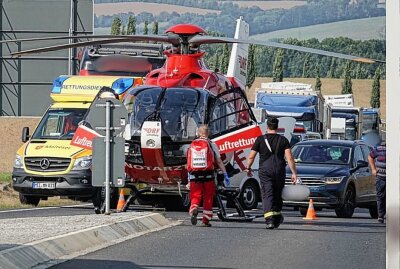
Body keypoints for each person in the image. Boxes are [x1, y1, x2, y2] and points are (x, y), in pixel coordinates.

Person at [245, 118, 297, 229]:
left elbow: (251, 156)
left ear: (267, 126)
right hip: (279, 170)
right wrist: (294, 173)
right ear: (277, 127)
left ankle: (269, 220)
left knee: (267, 193)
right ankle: (277, 217)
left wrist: (248, 168)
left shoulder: (260, 140)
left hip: (265, 170)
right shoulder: (283, 140)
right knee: (277, 193)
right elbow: (290, 158)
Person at [187, 125, 230, 227]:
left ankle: (194, 207)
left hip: (194, 175)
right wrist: (225, 173)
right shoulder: (211, 144)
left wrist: (189, 178)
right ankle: (205, 220)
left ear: (198, 133)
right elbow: (219, 161)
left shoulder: (191, 145)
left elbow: (188, 162)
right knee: (208, 197)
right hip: (208, 175)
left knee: (195, 195)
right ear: (208, 133)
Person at [368, 142, 386, 223]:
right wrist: (373, 169)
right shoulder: (379, 149)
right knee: (380, 196)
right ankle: (381, 216)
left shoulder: (395, 149)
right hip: (380, 177)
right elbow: (370, 157)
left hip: (394, 178)